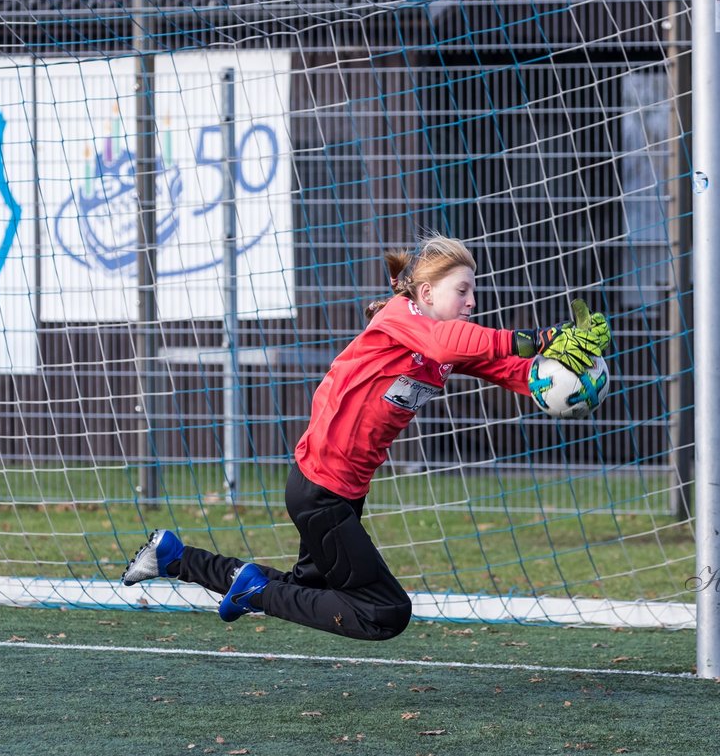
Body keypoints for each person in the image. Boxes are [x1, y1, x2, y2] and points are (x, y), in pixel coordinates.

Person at [121, 234, 610, 641]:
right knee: (384, 613)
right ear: (423, 291)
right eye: (462, 290)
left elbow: (508, 367)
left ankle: (176, 557)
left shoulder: (442, 343)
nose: (472, 301)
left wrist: (562, 370)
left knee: (303, 588)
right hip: (319, 492)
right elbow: (457, 342)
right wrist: (540, 337)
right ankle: (249, 591)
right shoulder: (399, 319)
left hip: (341, 494)